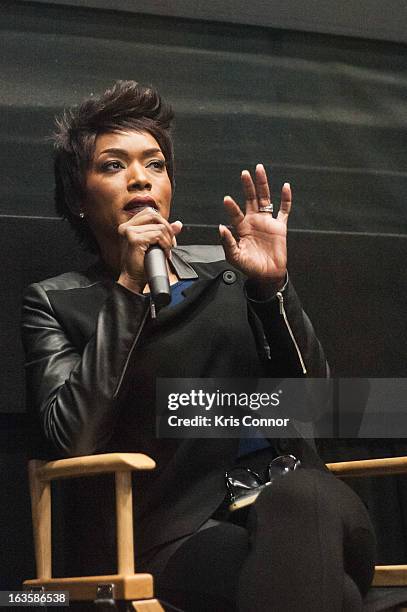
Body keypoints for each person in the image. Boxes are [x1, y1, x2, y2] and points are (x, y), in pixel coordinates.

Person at [22, 80, 375, 611]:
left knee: (302, 498)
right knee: (333, 594)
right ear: (78, 197)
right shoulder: (58, 303)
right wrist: (128, 293)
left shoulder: (231, 265)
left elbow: (316, 405)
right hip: (183, 534)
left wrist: (271, 288)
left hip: (311, 505)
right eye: (114, 165)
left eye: (155, 164)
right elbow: (72, 440)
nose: (140, 177)